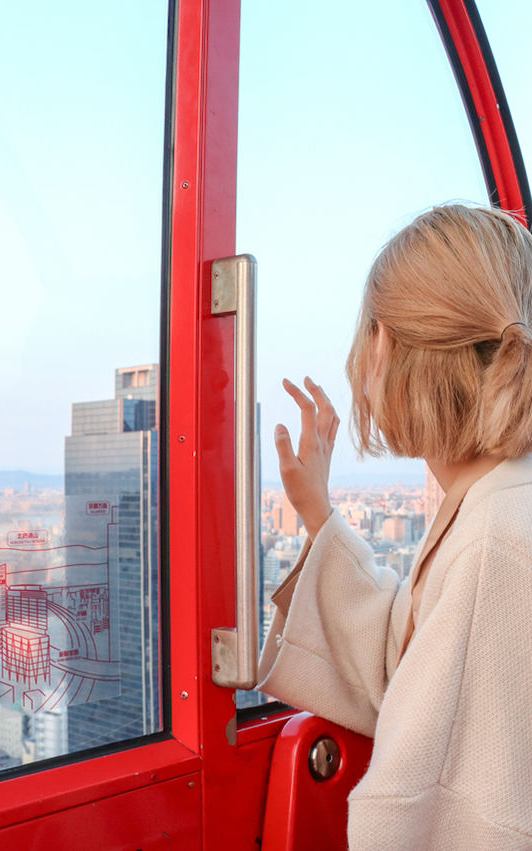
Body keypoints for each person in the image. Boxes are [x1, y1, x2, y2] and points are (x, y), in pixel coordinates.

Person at [257, 204, 532, 849]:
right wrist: (318, 512)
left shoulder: (493, 543)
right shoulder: (502, 498)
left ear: (385, 345)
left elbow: (451, 816)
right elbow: (418, 665)